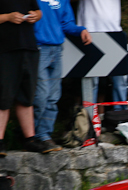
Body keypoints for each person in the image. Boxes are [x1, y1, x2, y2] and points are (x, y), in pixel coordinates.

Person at [0, 0, 45, 157]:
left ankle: (30, 138)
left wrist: (35, 16)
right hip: (2, 49)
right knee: (3, 94)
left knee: (27, 95)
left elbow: (38, 11)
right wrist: (7, 17)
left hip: (28, 46)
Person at [33, 0, 91, 152]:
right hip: (38, 47)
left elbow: (67, 24)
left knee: (53, 97)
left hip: (57, 49)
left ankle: (44, 135)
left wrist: (81, 30)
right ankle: (31, 136)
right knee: (40, 95)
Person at [77, 0, 128, 117]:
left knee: (120, 80)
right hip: (89, 33)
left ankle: (120, 116)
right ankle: (89, 118)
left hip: (114, 32)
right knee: (91, 81)